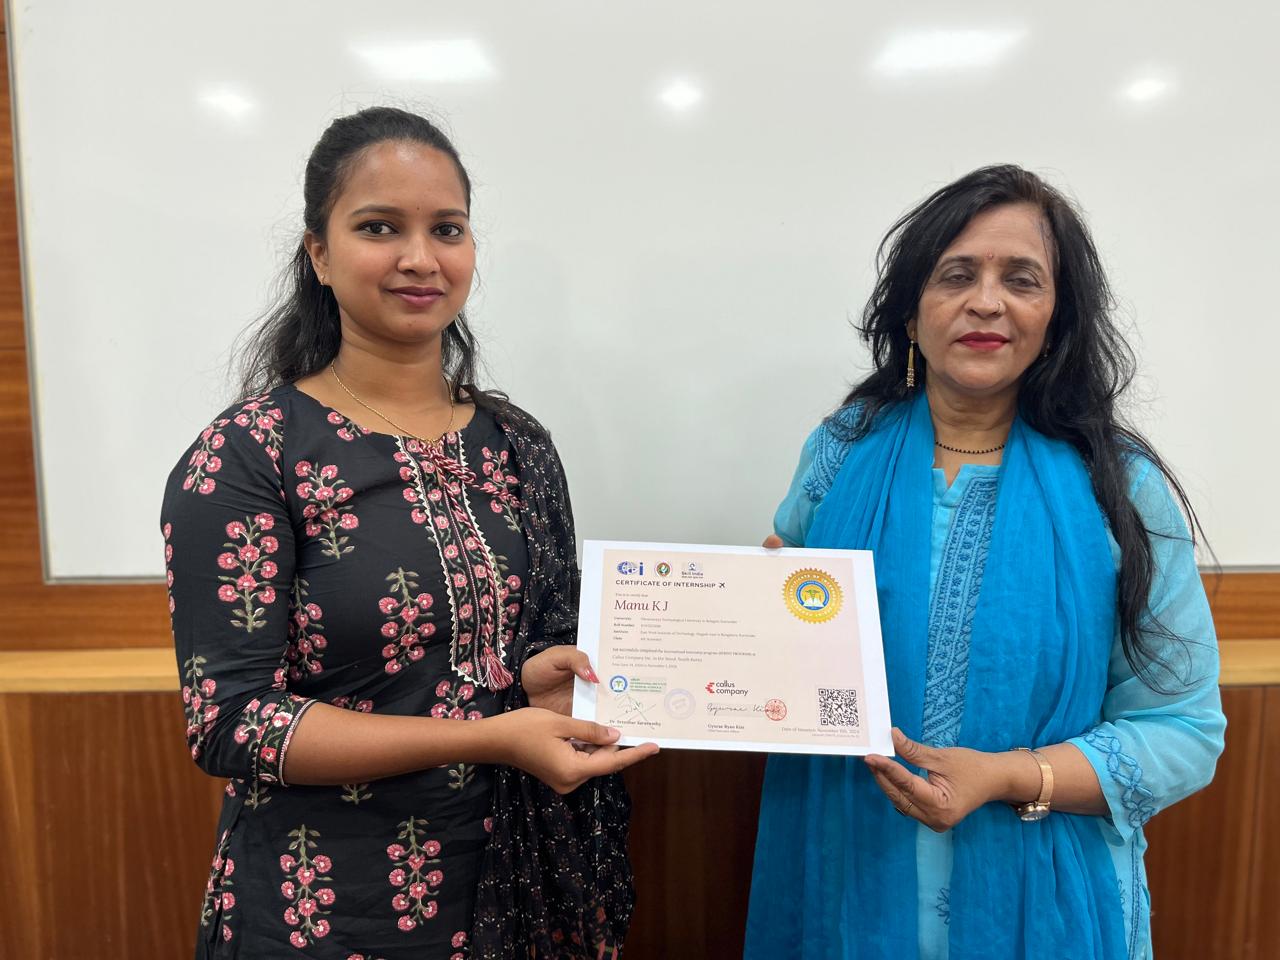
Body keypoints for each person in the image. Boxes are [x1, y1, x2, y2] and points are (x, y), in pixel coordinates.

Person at [161, 106, 657, 959]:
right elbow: (234, 723)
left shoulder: (517, 443)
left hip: (512, 885)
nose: (421, 258)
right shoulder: (247, 454)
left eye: (447, 229)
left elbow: (508, 648)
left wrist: (533, 675)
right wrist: (488, 738)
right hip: (323, 906)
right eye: (379, 227)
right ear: (319, 253)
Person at [745, 165, 1224, 960]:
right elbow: (793, 663)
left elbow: (1182, 731)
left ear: (1057, 316)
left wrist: (1011, 776)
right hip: (847, 882)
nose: (986, 302)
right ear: (911, 311)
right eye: (957, 275)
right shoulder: (839, 455)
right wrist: (756, 627)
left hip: (1048, 904)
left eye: (1021, 280)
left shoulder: (1121, 487)